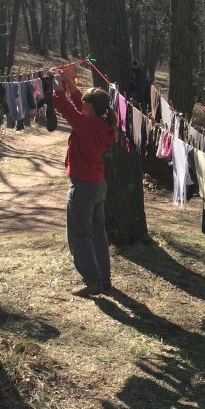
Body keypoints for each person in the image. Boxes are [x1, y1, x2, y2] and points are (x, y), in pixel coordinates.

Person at [53, 67, 118, 295]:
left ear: (89, 107)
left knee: (79, 235)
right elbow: (79, 99)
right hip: (99, 186)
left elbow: (63, 105)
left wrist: (56, 83)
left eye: (84, 104)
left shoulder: (85, 125)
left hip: (83, 188)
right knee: (98, 234)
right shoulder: (101, 124)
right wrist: (67, 80)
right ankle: (104, 278)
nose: (81, 105)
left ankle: (93, 281)